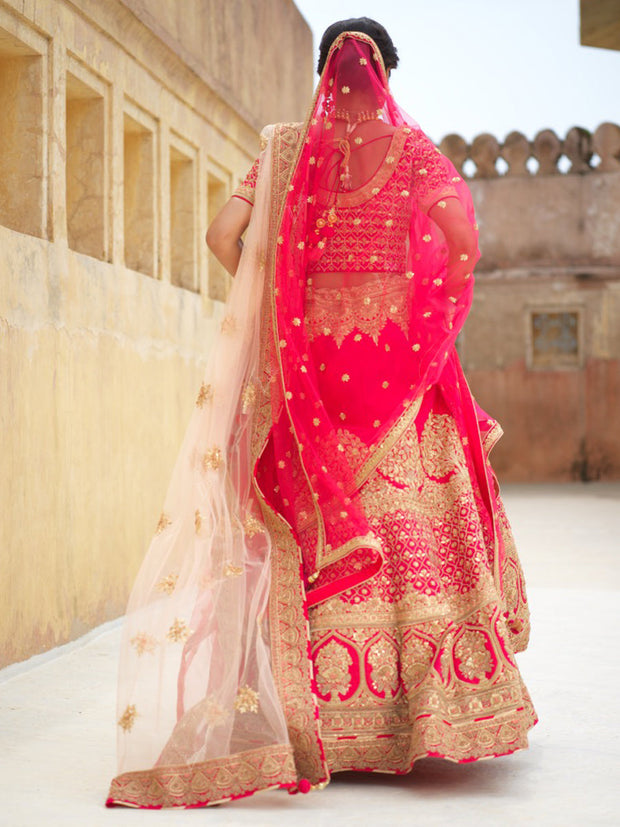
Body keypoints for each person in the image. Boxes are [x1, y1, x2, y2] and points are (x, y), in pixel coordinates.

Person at [107, 19, 536, 810]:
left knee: (307, 530)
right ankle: (422, 714)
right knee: (410, 532)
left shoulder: (280, 151)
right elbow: (461, 239)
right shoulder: (414, 154)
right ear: (389, 74)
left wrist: (281, 308)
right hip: (398, 373)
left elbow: (221, 233)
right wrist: (425, 311)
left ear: (322, 75)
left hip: (309, 382)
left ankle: (315, 721)